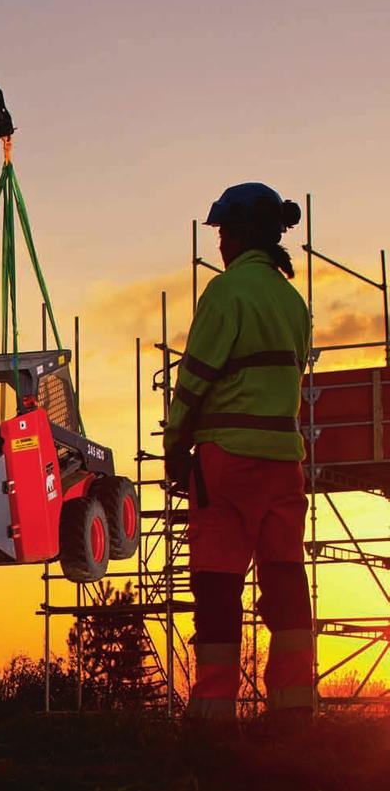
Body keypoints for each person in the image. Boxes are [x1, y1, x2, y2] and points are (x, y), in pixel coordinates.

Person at [163, 182, 312, 719]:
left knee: (218, 584)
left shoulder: (227, 294)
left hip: (226, 458)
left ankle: (214, 710)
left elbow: (196, 377)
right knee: (286, 579)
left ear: (245, 232)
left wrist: (177, 443)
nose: (220, 243)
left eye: (224, 231)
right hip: (284, 462)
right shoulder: (293, 301)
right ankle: (295, 707)